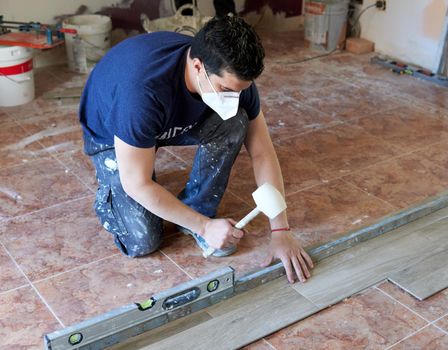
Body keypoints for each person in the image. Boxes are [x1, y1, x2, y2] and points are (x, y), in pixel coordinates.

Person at [79, 15, 313, 283]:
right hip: (111, 129)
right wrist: (205, 228)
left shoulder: (232, 75)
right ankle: (110, 191)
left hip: (163, 119)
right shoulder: (142, 93)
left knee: (237, 121)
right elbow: (137, 184)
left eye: (240, 90)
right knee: (143, 240)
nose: (234, 97)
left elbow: (262, 153)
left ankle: (195, 206)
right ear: (198, 66)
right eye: (226, 89)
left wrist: (280, 230)